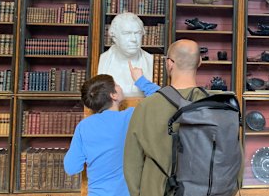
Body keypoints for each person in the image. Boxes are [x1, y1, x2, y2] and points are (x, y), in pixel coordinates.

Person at [123, 39, 210, 195]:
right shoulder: (219, 105)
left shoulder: (146, 107)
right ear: (200, 62)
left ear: (169, 64)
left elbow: (132, 164)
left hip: (158, 189)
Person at [64, 63, 159, 196]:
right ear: (113, 95)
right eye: (117, 85)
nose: (120, 87)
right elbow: (161, 99)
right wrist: (139, 79)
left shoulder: (83, 127)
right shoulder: (131, 116)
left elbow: (71, 168)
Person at [98, 12, 153, 97]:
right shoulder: (104, 60)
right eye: (127, 33)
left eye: (137, 33)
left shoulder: (151, 60)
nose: (134, 39)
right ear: (114, 37)